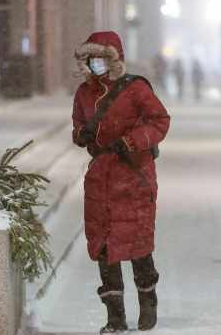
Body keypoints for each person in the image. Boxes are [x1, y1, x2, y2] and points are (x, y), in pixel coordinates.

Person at [72, 31, 171, 333]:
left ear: (114, 59)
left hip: (133, 174)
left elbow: (160, 121)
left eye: (101, 58)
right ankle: (115, 317)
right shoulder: (84, 93)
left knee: (137, 241)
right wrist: (81, 135)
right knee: (103, 245)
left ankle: (147, 301)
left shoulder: (135, 88)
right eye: (91, 59)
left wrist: (131, 141)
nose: (96, 64)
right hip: (100, 176)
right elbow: (77, 122)